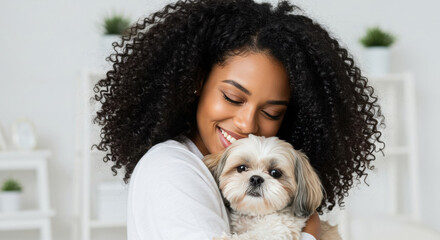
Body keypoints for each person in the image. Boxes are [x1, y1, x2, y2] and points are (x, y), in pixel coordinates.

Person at [93, 0, 384, 239]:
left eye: (271, 113)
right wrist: (308, 234)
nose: (247, 124)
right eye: (233, 97)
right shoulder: (170, 169)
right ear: (198, 80)